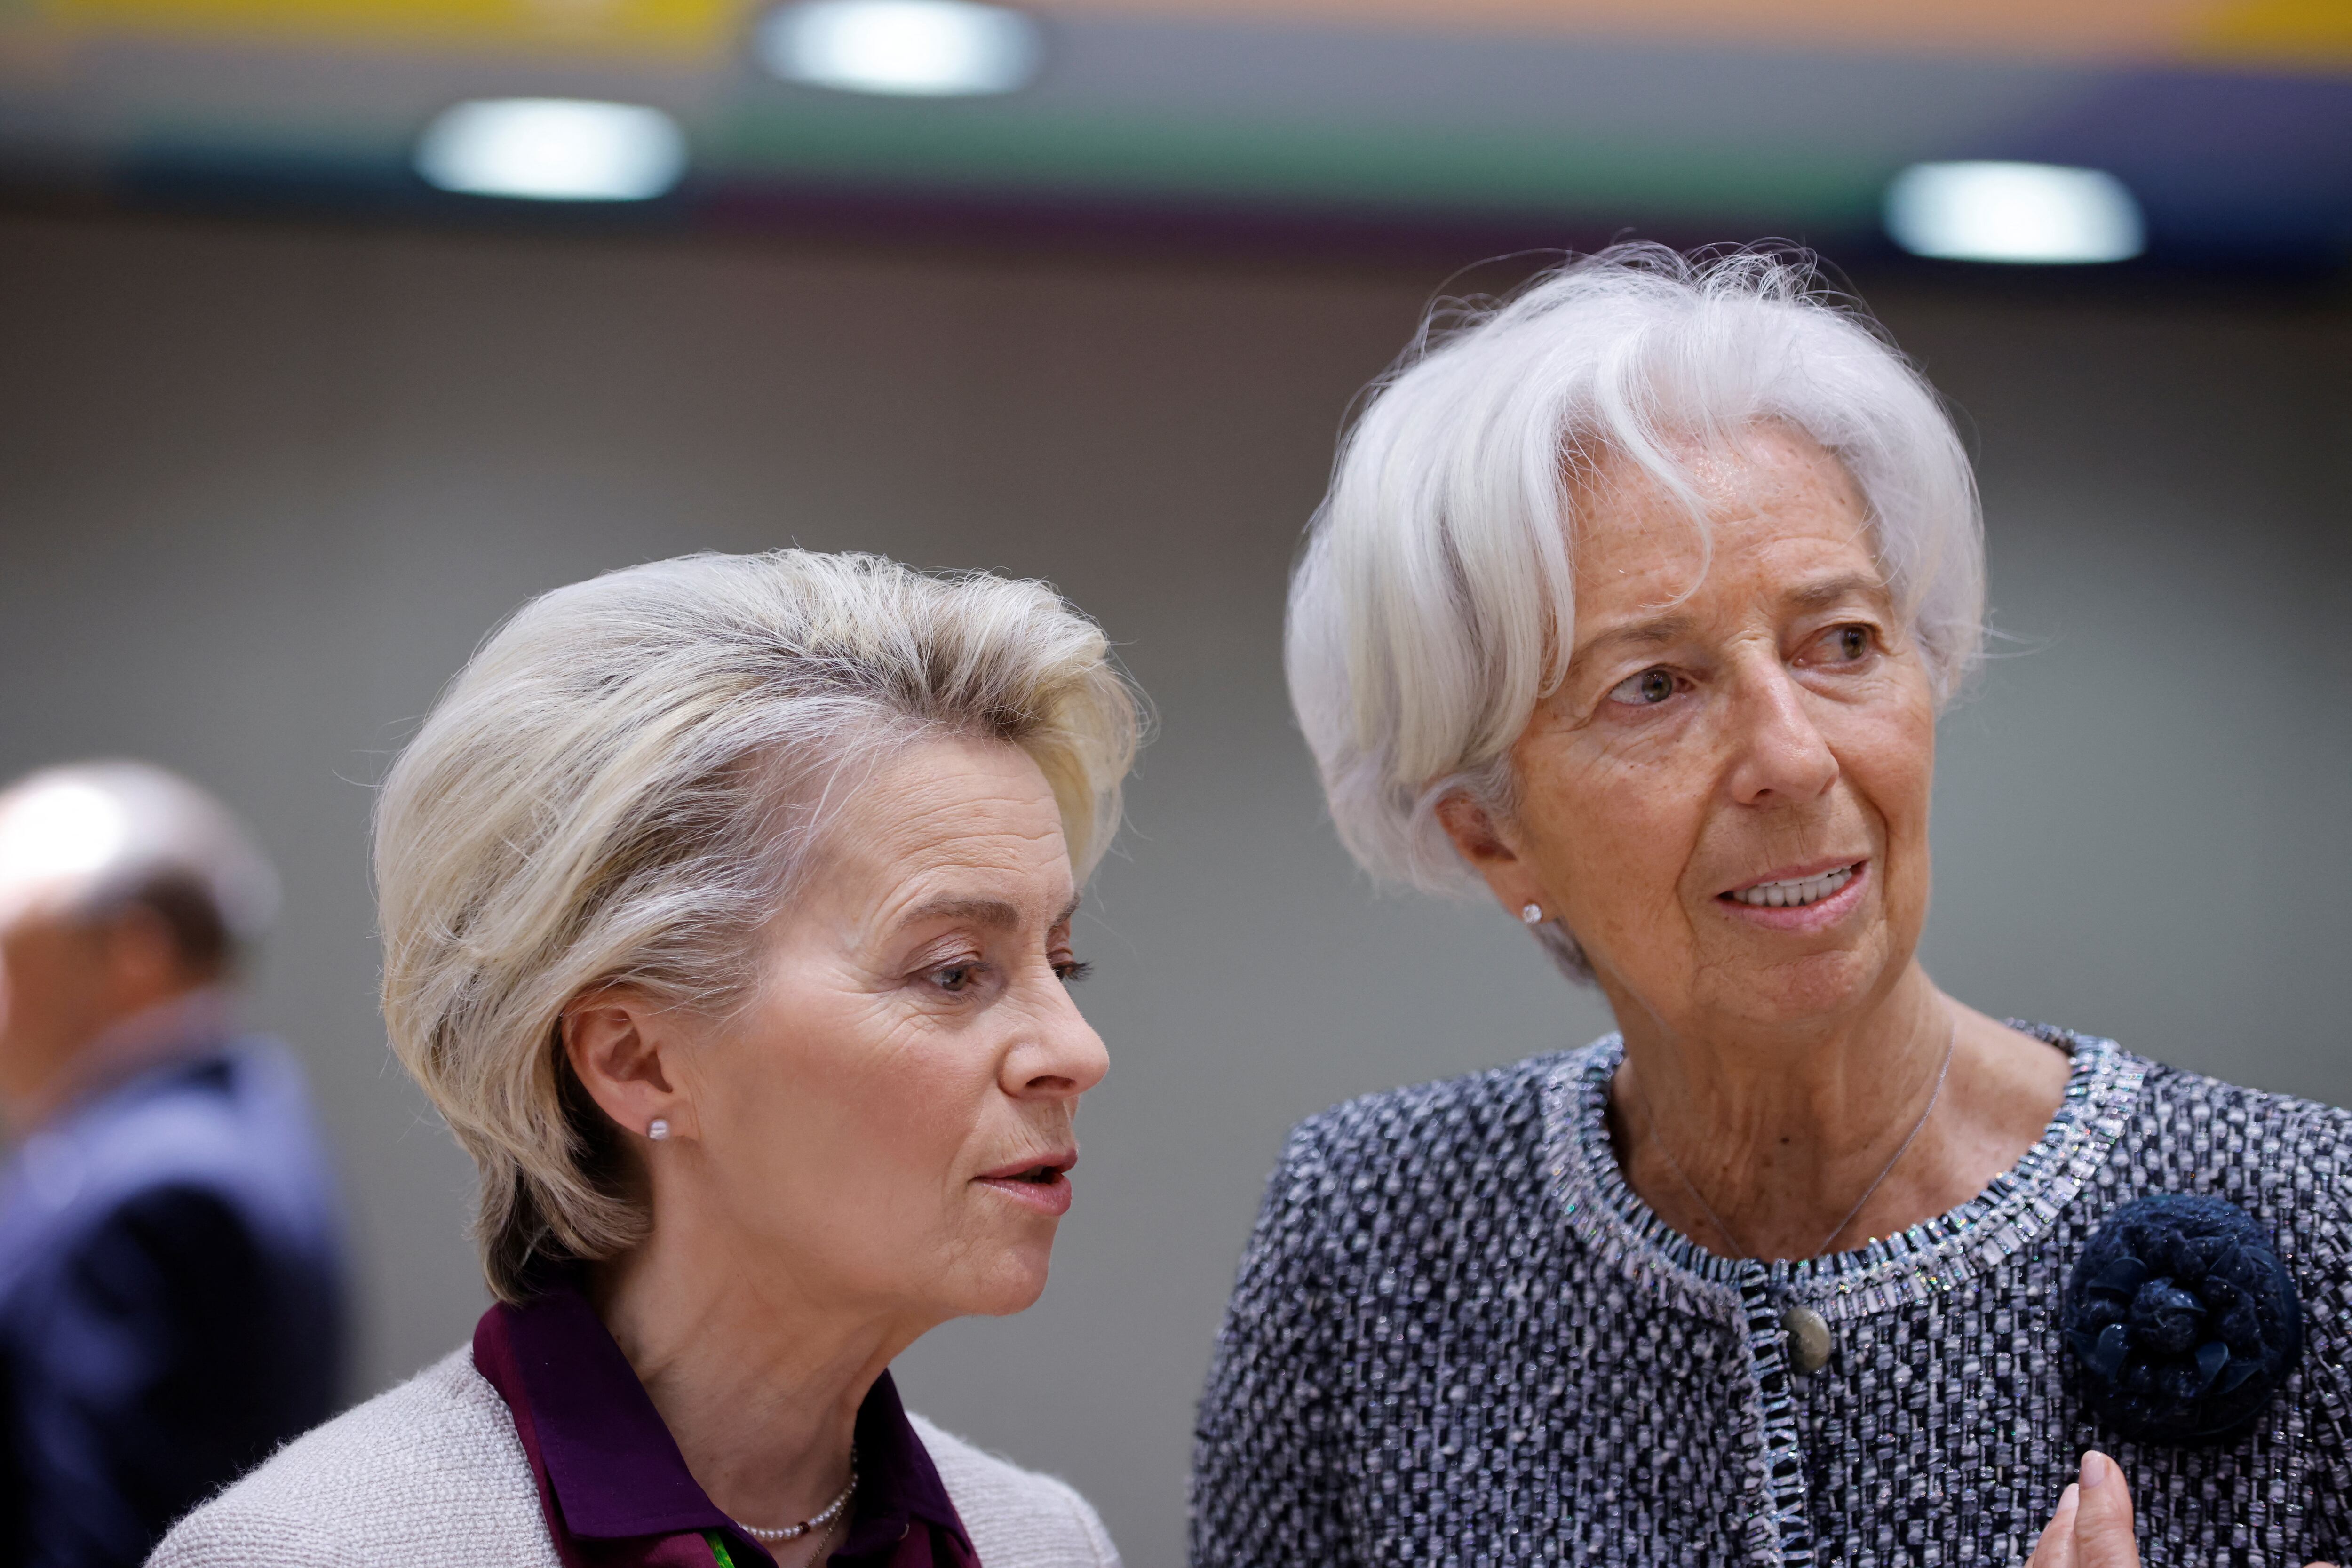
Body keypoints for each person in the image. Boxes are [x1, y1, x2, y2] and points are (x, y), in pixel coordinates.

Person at [1191, 247, 2352, 1566]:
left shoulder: (2320, 1212)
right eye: (1654, 684)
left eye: (1843, 641)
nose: (1795, 757)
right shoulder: (1368, 1230)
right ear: (1490, 834)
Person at [153, 550, 1136, 1568]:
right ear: (637, 1061)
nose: (1076, 1048)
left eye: (1064, 962)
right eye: (953, 970)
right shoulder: (311, 1552)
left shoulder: (1043, 1541)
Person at [0, 762, 344, 1568]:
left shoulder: (164, 1187)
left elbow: (94, 1536)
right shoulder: (240, 1117)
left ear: (136, 953)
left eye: (9, 952)